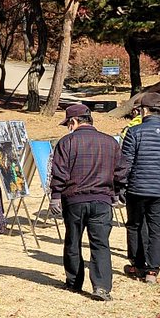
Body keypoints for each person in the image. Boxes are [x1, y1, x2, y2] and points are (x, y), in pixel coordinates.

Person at [49, 104, 120, 301]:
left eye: (68, 124)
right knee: (101, 244)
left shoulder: (66, 142)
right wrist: (117, 193)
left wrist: (55, 196)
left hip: (74, 200)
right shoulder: (110, 142)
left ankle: (73, 282)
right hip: (102, 200)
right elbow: (120, 171)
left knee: (73, 241)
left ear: (73, 121)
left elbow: (59, 173)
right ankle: (101, 287)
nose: (68, 128)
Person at [115, 93, 160, 284]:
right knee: (157, 228)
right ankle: (152, 270)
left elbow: (125, 163)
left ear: (144, 110)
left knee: (135, 225)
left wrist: (121, 185)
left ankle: (137, 265)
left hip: (137, 188)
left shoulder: (134, 132)